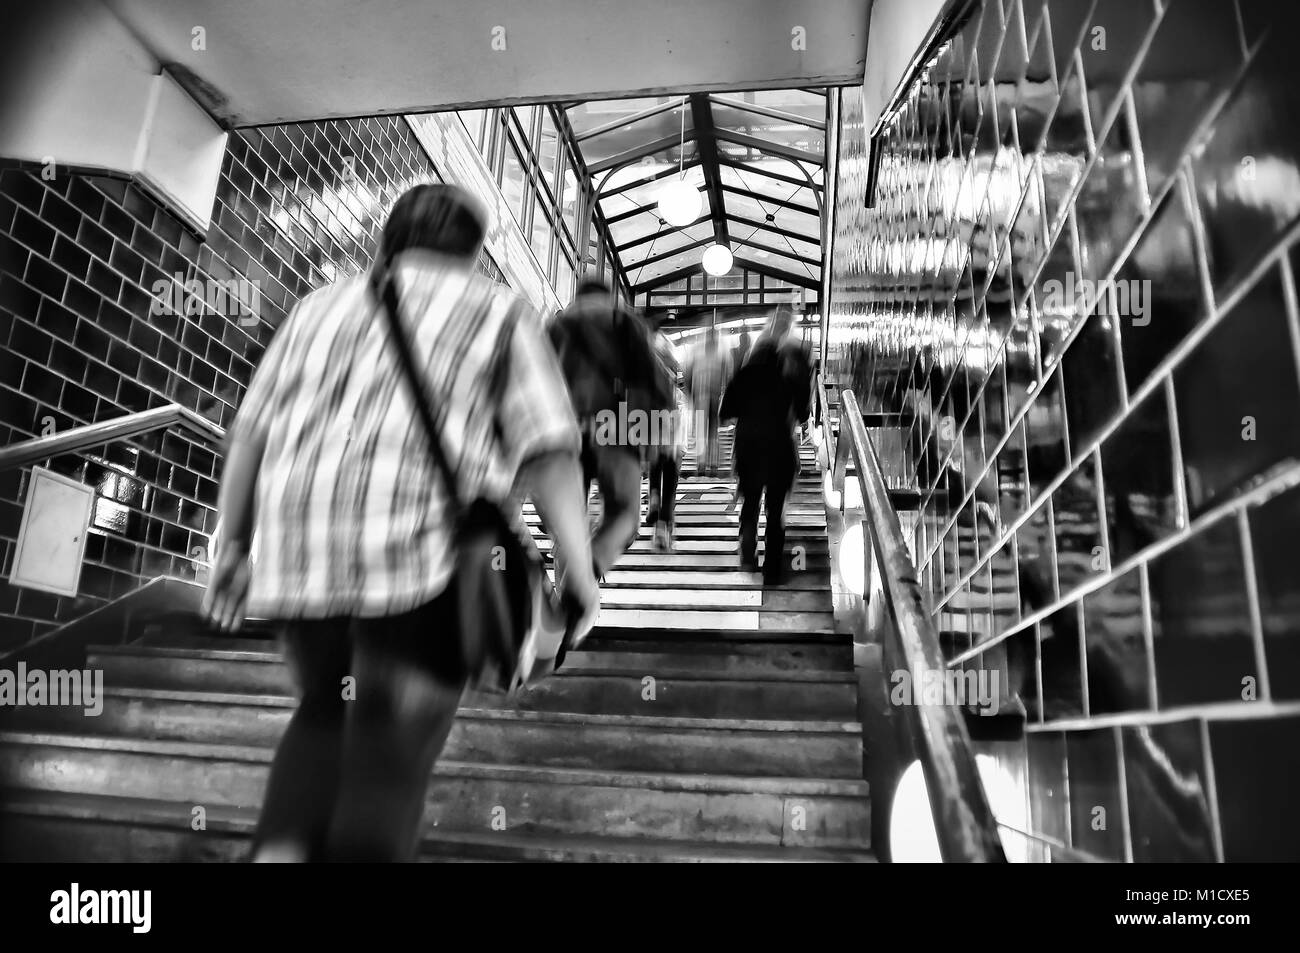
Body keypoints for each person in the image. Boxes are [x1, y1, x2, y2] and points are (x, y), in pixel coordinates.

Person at [202, 184, 600, 863]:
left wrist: (233, 547)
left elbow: (249, 434)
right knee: (391, 753)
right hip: (424, 562)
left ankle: (279, 853)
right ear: (476, 252)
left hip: (304, 560)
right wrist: (579, 568)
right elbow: (549, 448)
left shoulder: (317, 307)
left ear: (391, 238)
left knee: (324, 712)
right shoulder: (496, 309)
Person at [548, 277, 671, 576]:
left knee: (568, 520)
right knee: (624, 515)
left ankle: (565, 587)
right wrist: (650, 437)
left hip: (563, 429)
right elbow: (652, 381)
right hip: (614, 427)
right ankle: (588, 573)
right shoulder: (622, 319)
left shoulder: (556, 325)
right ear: (609, 296)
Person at [720, 307, 811, 584]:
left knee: (750, 504)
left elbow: (725, 413)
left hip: (748, 448)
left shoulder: (743, 375)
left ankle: (748, 557)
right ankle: (772, 570)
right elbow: (804, 413)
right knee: (774, 509)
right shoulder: (787, 376)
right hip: (779, 449)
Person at [645, 317, 682, 551]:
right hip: (667, 418)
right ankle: (662, 530)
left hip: (644, 420)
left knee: (655, 465)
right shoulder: (667, 351)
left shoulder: (639, 355)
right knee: (670, 473)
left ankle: (653, 497)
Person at [684, 325, 731, 476]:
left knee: (703, 431)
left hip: (703, 394)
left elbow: (688, 373)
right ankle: (711, 464)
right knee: (712, 431)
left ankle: (703, 463)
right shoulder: (722, 352)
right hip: (712, 395)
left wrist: (690, 394)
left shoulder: (697, 352)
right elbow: (728, 374)